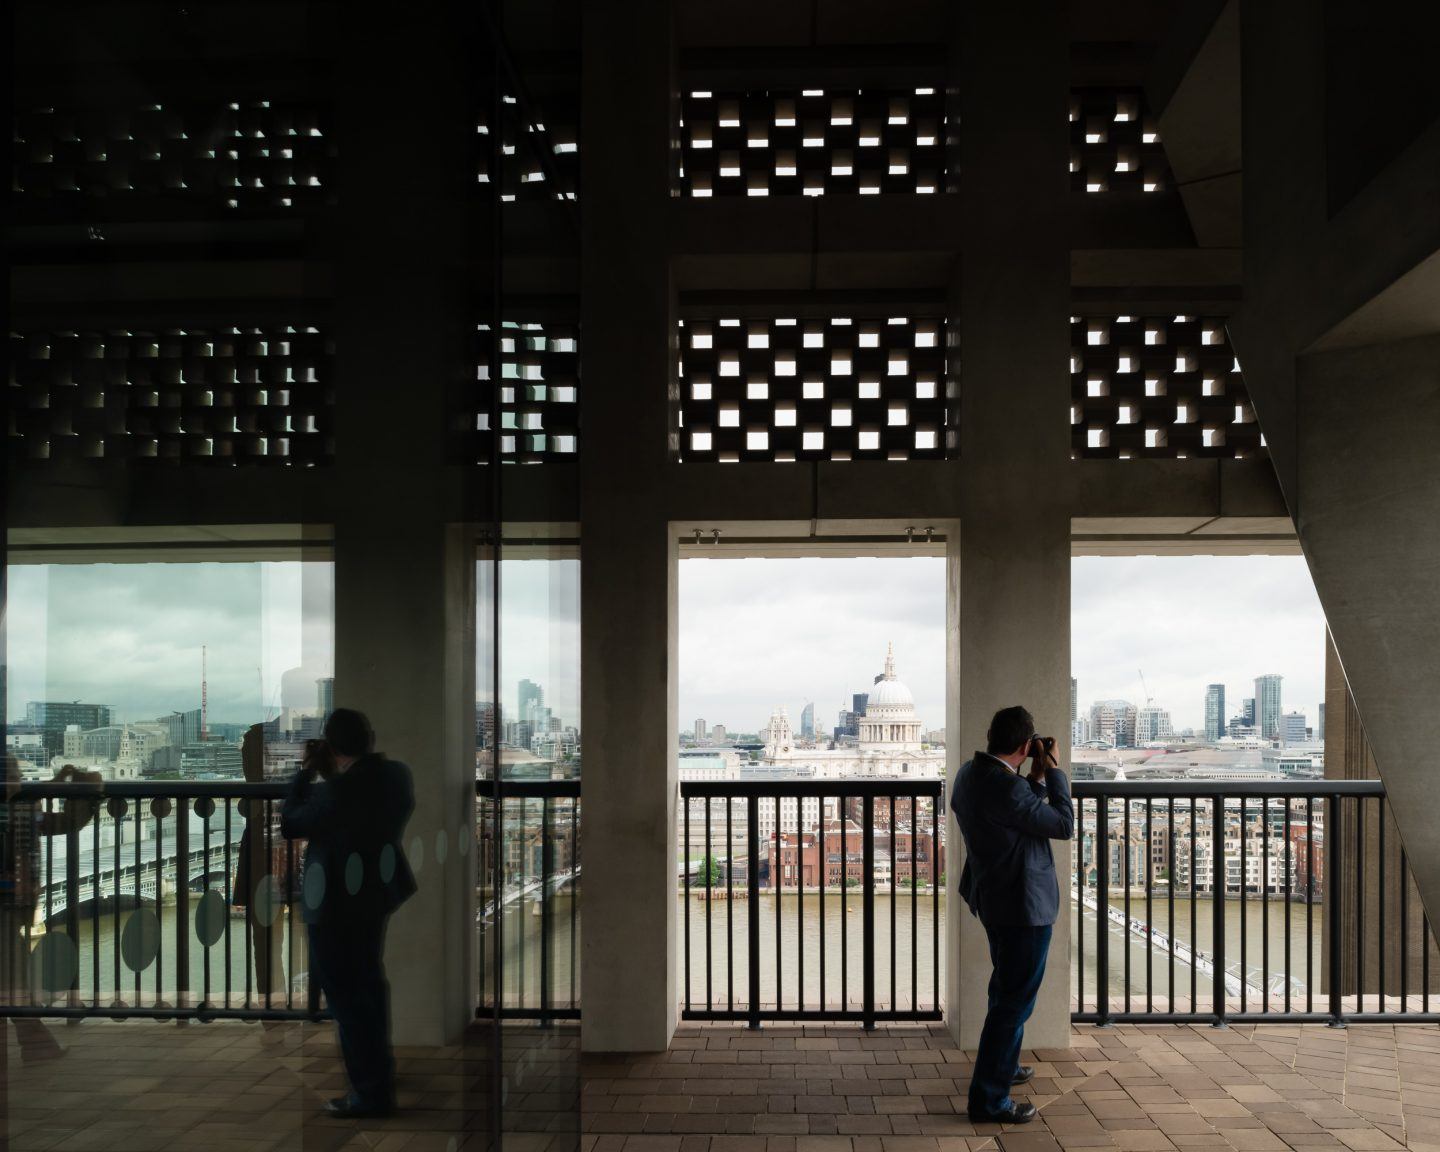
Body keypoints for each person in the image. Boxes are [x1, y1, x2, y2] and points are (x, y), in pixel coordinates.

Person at [281, 708, 415, 1119]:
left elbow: (290, 822)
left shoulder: (335, 793)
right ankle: (379, 1078)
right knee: (368, 984)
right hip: (375, 894)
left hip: (336, 904)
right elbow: (356, 808)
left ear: (332, 746)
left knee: (348, 998)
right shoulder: (396, 776)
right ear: (370, 737)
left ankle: (370, 1093)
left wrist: (305, 773)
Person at [951, 706, 1073, 1125]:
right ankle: (989, 1100)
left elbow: (1018, 810)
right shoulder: (1007, 789)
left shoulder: (970, 774)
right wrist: (1053, 769)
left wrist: (1032, 776)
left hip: (993, 897)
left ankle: (1004, 1067)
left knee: (1004, 989)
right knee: (1013, 1003)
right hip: (1024, 905)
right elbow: (1061, 823)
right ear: (1026, 745)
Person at [0, 758, 101, 1061]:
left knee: (12, 974)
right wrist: (82, 790)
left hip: (9, 905)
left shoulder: (19, 810)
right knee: (13, 975)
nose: (19, 780)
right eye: (13, 775)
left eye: (18, 774)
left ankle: (36, 1044)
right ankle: (36, 1044)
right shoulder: (20, 812)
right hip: (7, 906)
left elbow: (60, 821)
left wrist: (63, 783)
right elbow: (64, 823)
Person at [232, 723, 293, 1026]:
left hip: (262, 852)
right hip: (296, 850)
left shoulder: (255, 742)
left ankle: (271, 1004)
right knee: (308, 930)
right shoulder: (303, 749)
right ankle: (310, 1003)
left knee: (266, 936)